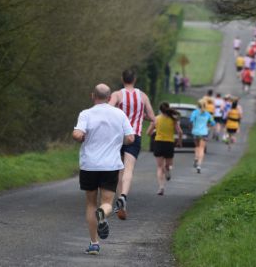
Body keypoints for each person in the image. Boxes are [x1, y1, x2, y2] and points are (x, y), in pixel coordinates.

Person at [73, 83, 135, 255]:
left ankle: (94, 244)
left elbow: (77, 133)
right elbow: (130, 138)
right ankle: (103, 213)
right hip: (111, 165)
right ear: (109, 98)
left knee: (90, 203)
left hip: (89, 165)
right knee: (106, 203)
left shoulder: (85, 114)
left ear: (93, 96)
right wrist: (117, 141)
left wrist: (80, 136)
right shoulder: (119, 114)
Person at [109, 69, 155, 220]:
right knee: (128, 168)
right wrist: (142, 116)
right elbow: (153, 118)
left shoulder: (117, 95)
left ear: (122, 79)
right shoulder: (142, 96)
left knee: (118, 170)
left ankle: (120, 203)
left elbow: (107, 110)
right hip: (134, 135)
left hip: (117, 135)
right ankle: (123, 198)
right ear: (134, 79)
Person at [146, 102, 183, 195]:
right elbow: (180, 132)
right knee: (169, 165)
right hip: (169, 143)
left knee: (159, 167)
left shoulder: (156, 119)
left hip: (158, 143)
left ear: (160, 110)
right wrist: (179, 141)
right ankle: (168, 170)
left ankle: (161, 187)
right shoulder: (173, 120)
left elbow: (148, 133)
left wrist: (154, 133)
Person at [190, 100, 215, 174]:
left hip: (195, 132)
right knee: (202, 148)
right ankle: (199, 165)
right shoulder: (208, 114)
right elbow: (213, 123)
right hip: (204, 133)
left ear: (198, 105)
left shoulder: (195, 112)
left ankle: (196, 158)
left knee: (197, 146)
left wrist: (194, 125)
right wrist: (208, 125)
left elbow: (191, 120)